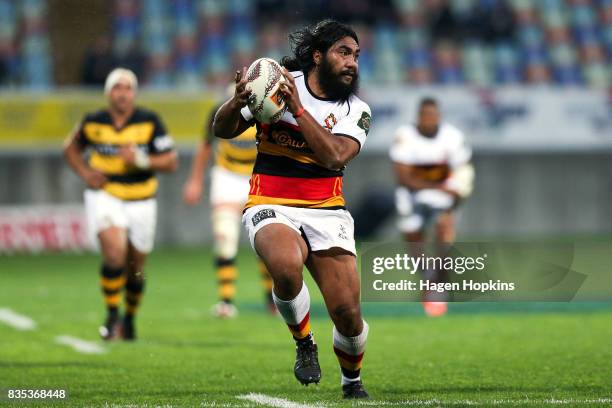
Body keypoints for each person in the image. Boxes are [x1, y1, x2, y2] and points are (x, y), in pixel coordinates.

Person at [213, 20, 372, 399]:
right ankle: (304, 342)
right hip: (270, 202)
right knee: (285, 265)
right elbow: (222, 129)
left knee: (348, 316)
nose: (352, 62)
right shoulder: (280, 85)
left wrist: (299, 112)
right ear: (318, 56)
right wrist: (237, 102)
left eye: (356, 55)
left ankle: (351, 380)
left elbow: (334, 156)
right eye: (343, 52)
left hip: (326, 210)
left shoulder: (357, 110)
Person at [63, 68, 178, 340]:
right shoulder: (93, 121)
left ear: (134, 93)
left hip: (142, 199)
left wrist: (141, 159)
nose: (122, 93)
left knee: (136, 269)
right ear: (108, 93)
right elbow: (70, 148)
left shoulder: (149, 121)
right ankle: (112, 315)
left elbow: (171, 161)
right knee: (114, 254)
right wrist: (85, 172)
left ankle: (129, 319)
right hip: (106, 194)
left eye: (127, 88)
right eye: (117, 88)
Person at [182, 88, 276, 318]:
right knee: (225, 236)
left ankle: (271, 300)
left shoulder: (266, 110)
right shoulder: (220, 110)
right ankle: (225, 300)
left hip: (257, 175)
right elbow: (205, 144)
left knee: (266, 239)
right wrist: (195, 180)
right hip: (226, 174)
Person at [389, 97, 474, 317]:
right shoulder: (405, 136)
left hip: (442, 195)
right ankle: (429, 277)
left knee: (444, 232)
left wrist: (457, 190)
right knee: (414, 239)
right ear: (418, 117)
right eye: (425, 116)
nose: (429, 120)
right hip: (412, 196)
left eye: (433, 115)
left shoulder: (453, 137)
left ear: (439, 116)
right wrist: (437, 185)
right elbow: (403, 177)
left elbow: (463, 169)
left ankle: (438, 288)